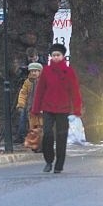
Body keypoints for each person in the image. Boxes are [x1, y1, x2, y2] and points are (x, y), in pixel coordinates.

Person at [31, 44, 82, 174]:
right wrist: (35, 109)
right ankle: (49, 160)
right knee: (47, 134)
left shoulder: (69, 71)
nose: (55, 57)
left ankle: (59, 164)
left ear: (63, 56)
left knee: (61, 136)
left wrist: (77, 109)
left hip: (63, 109)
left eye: (58, 55)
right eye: (53, 55)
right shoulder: (46, 71)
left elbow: (75, 91)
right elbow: (40, 91)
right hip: (48, 107)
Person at [16, 62, 43, 141]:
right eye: (32, 71)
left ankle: (41, 143)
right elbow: (23, 93)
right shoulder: (28, 82)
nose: (33, 73)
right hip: (31, 108)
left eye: (36, 71)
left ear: (40, 71)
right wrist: (21, 104)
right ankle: (34, 143)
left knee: (41, 126)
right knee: (32, 126)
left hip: (42, 109)